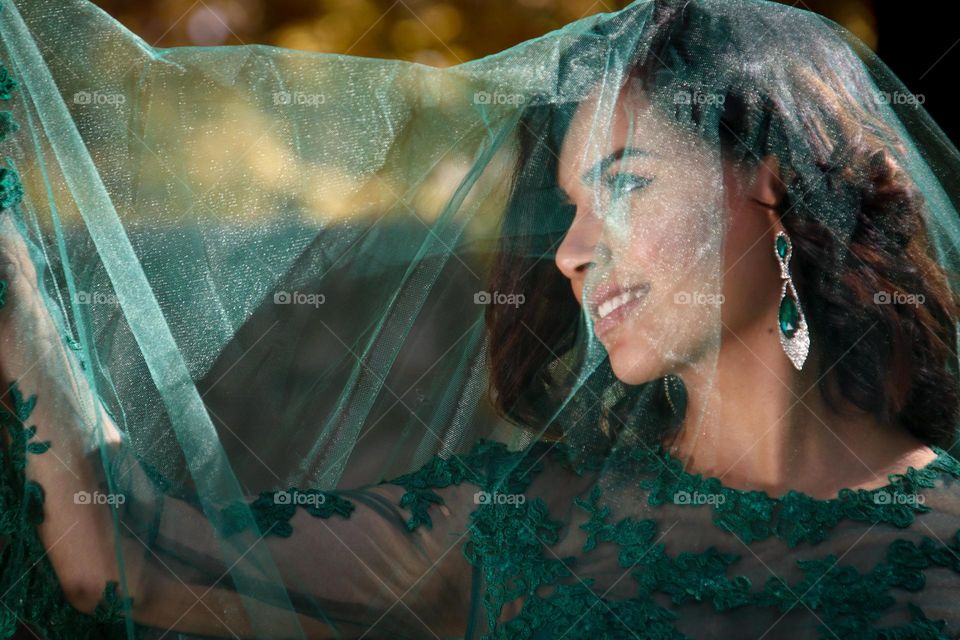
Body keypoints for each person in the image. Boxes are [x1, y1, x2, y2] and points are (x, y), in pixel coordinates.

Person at [2, 0, 960, 637]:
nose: (570, 252)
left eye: (622, 186)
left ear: (775, 182)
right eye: (570, 206)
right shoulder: (513, 521)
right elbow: (122, 556)